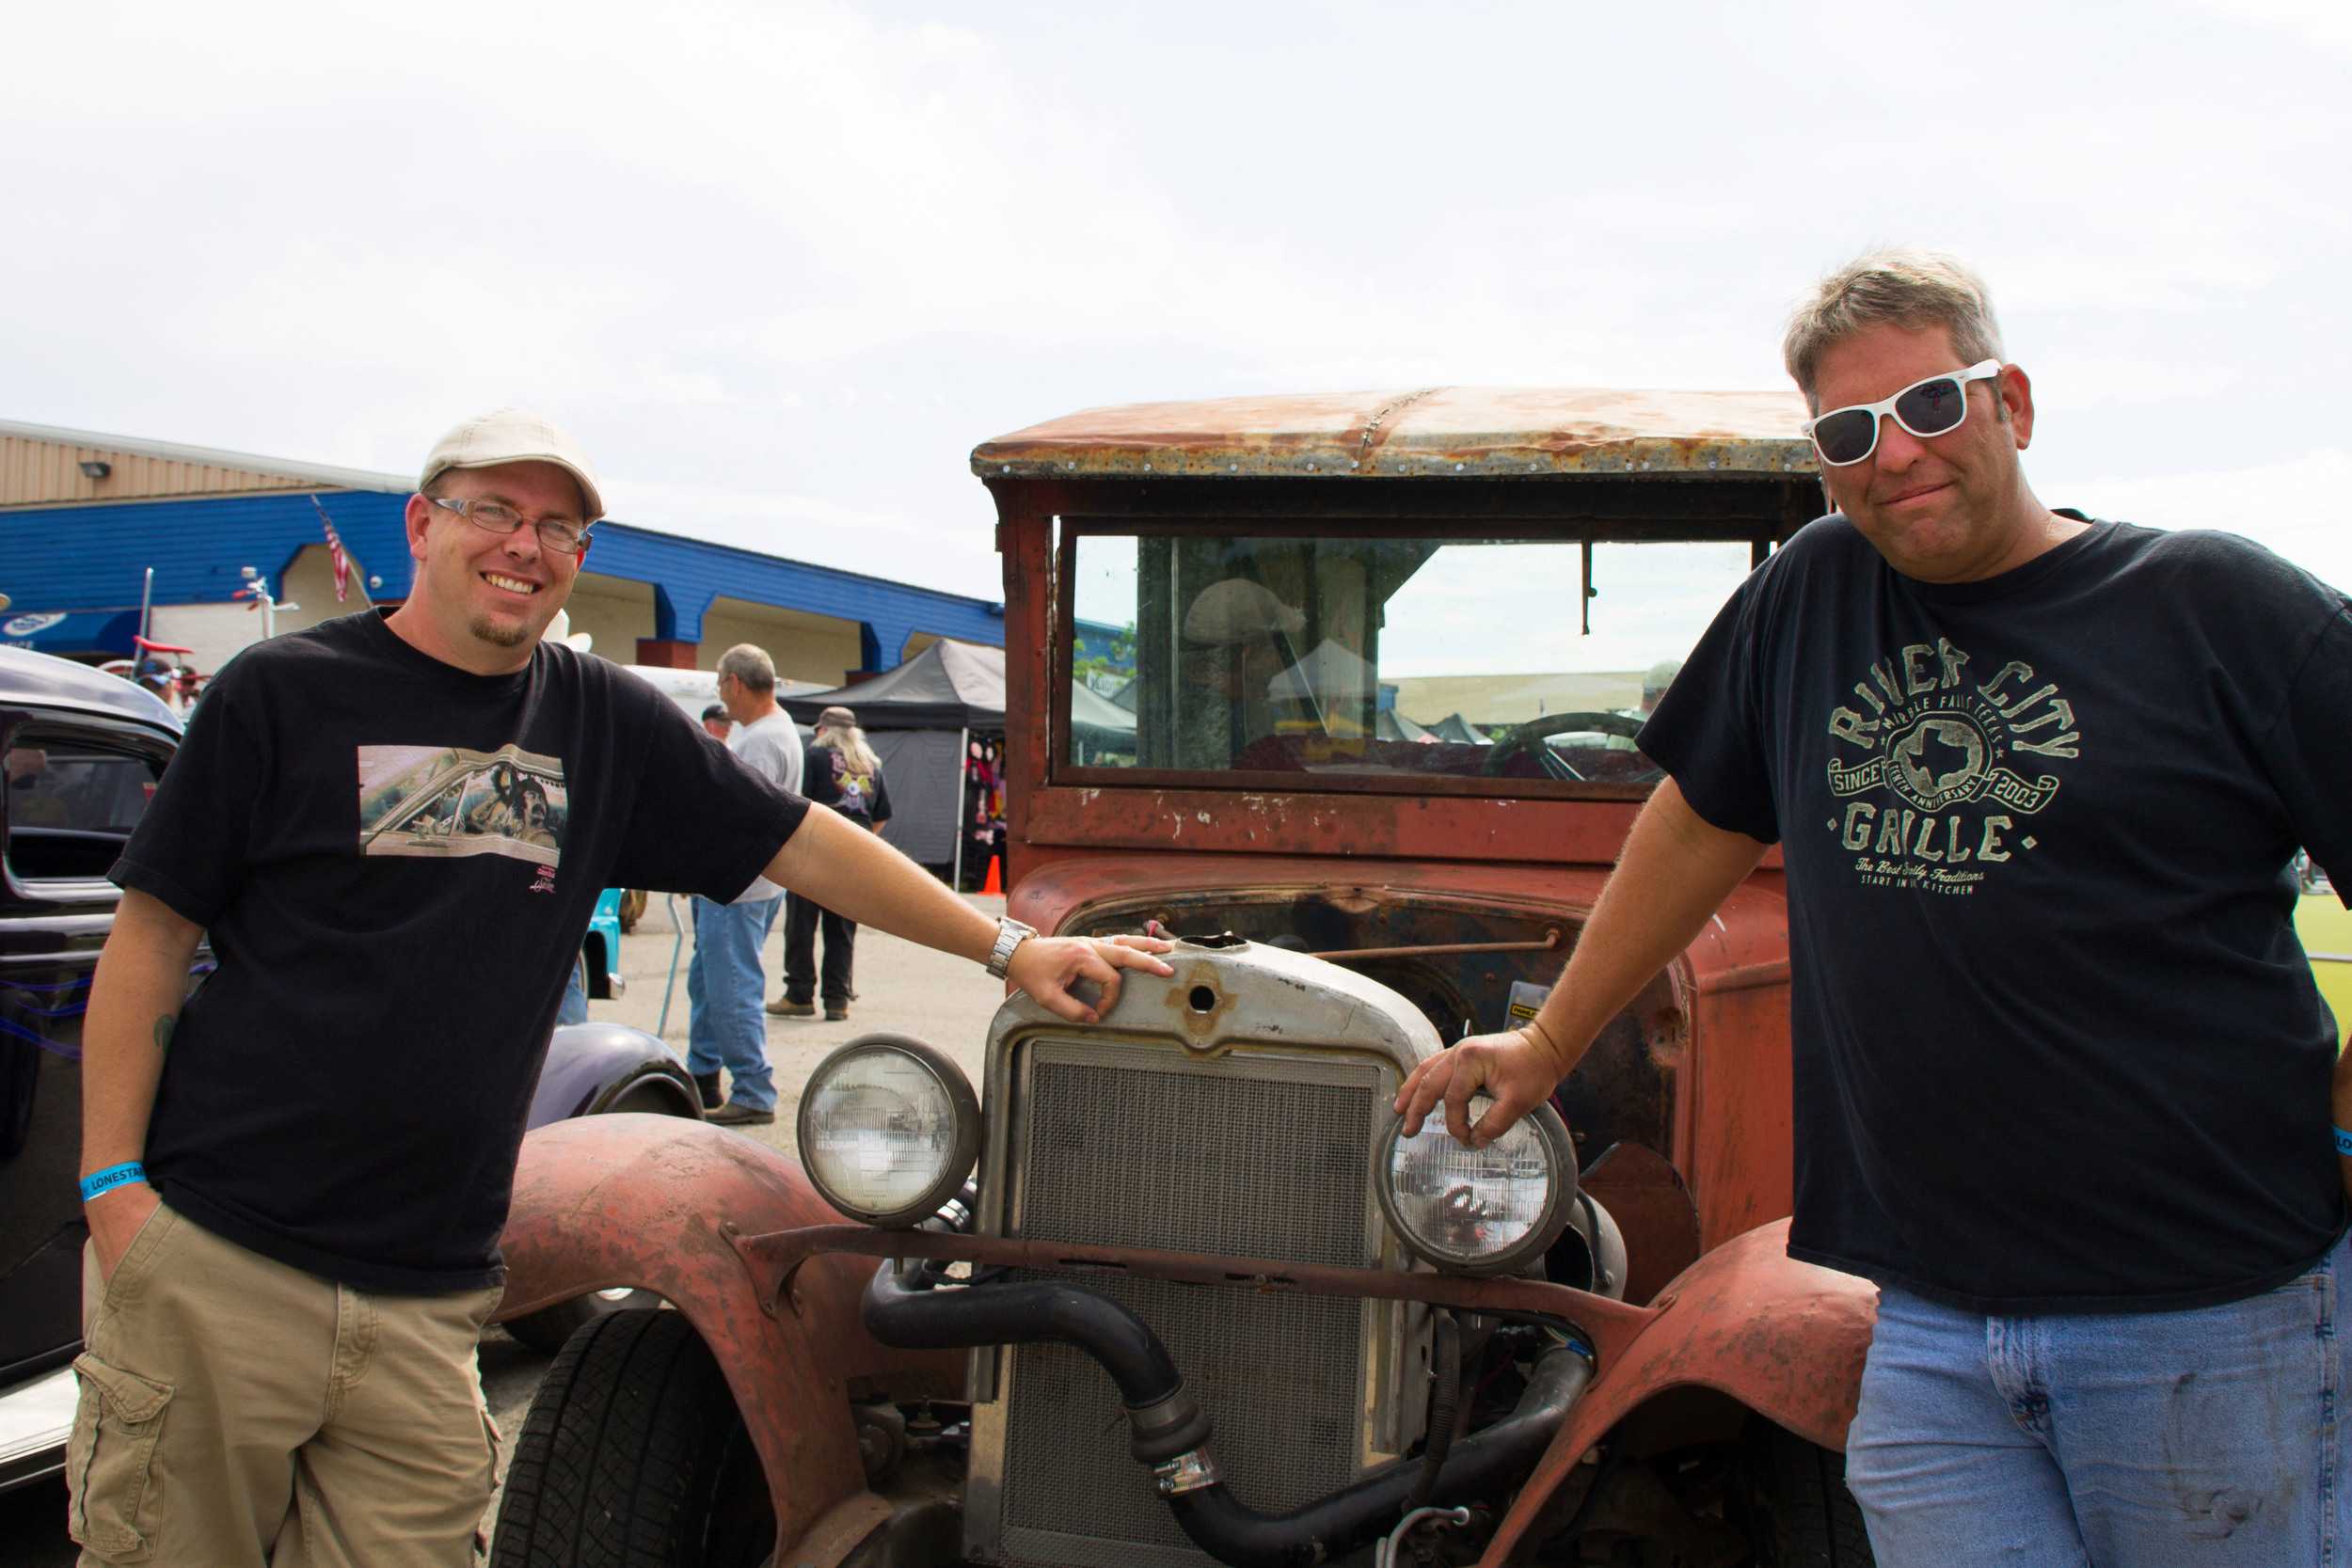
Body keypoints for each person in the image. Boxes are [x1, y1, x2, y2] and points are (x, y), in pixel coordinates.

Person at [71, 408, 1170, 1567]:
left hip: (430, 1294)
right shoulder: (281, 690)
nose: (524, 545)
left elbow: (800, 842)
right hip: (224, 1257)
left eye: (559, 526)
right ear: (422, 523)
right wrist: (112, 1188)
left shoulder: (600, 721)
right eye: (493, 510)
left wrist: (1007, 947)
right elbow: (149, 936)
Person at [1396, 250, 2352, 1566]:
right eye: (1850, 432)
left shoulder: (2218, 609)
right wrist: (1550, 1041)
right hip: (1925, 1320)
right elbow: (1700, 814)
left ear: (2010, 399)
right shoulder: (1813, 595)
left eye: (1931, 406)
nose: (1894, 453)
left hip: (2200, 1314)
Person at [685, 642, 803, 1125]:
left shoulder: (758, 740)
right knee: (711, 981)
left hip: (736, 885)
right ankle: (704, 1072)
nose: (721, 696)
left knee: (731, 986)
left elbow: (736, 815)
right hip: (753, 883)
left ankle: (753, 1089)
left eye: (720, 685)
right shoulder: (779, 729)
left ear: (735, 682)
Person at [768, 705, 891, 1022]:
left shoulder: (814, 756)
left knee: (801, 925)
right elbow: (881, 815)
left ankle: (799, 994)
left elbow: (799, 802)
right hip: (857, 855)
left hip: (815, 850)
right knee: (841, 930)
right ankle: (837, 1000)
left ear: (823, 730)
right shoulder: (871, 764)